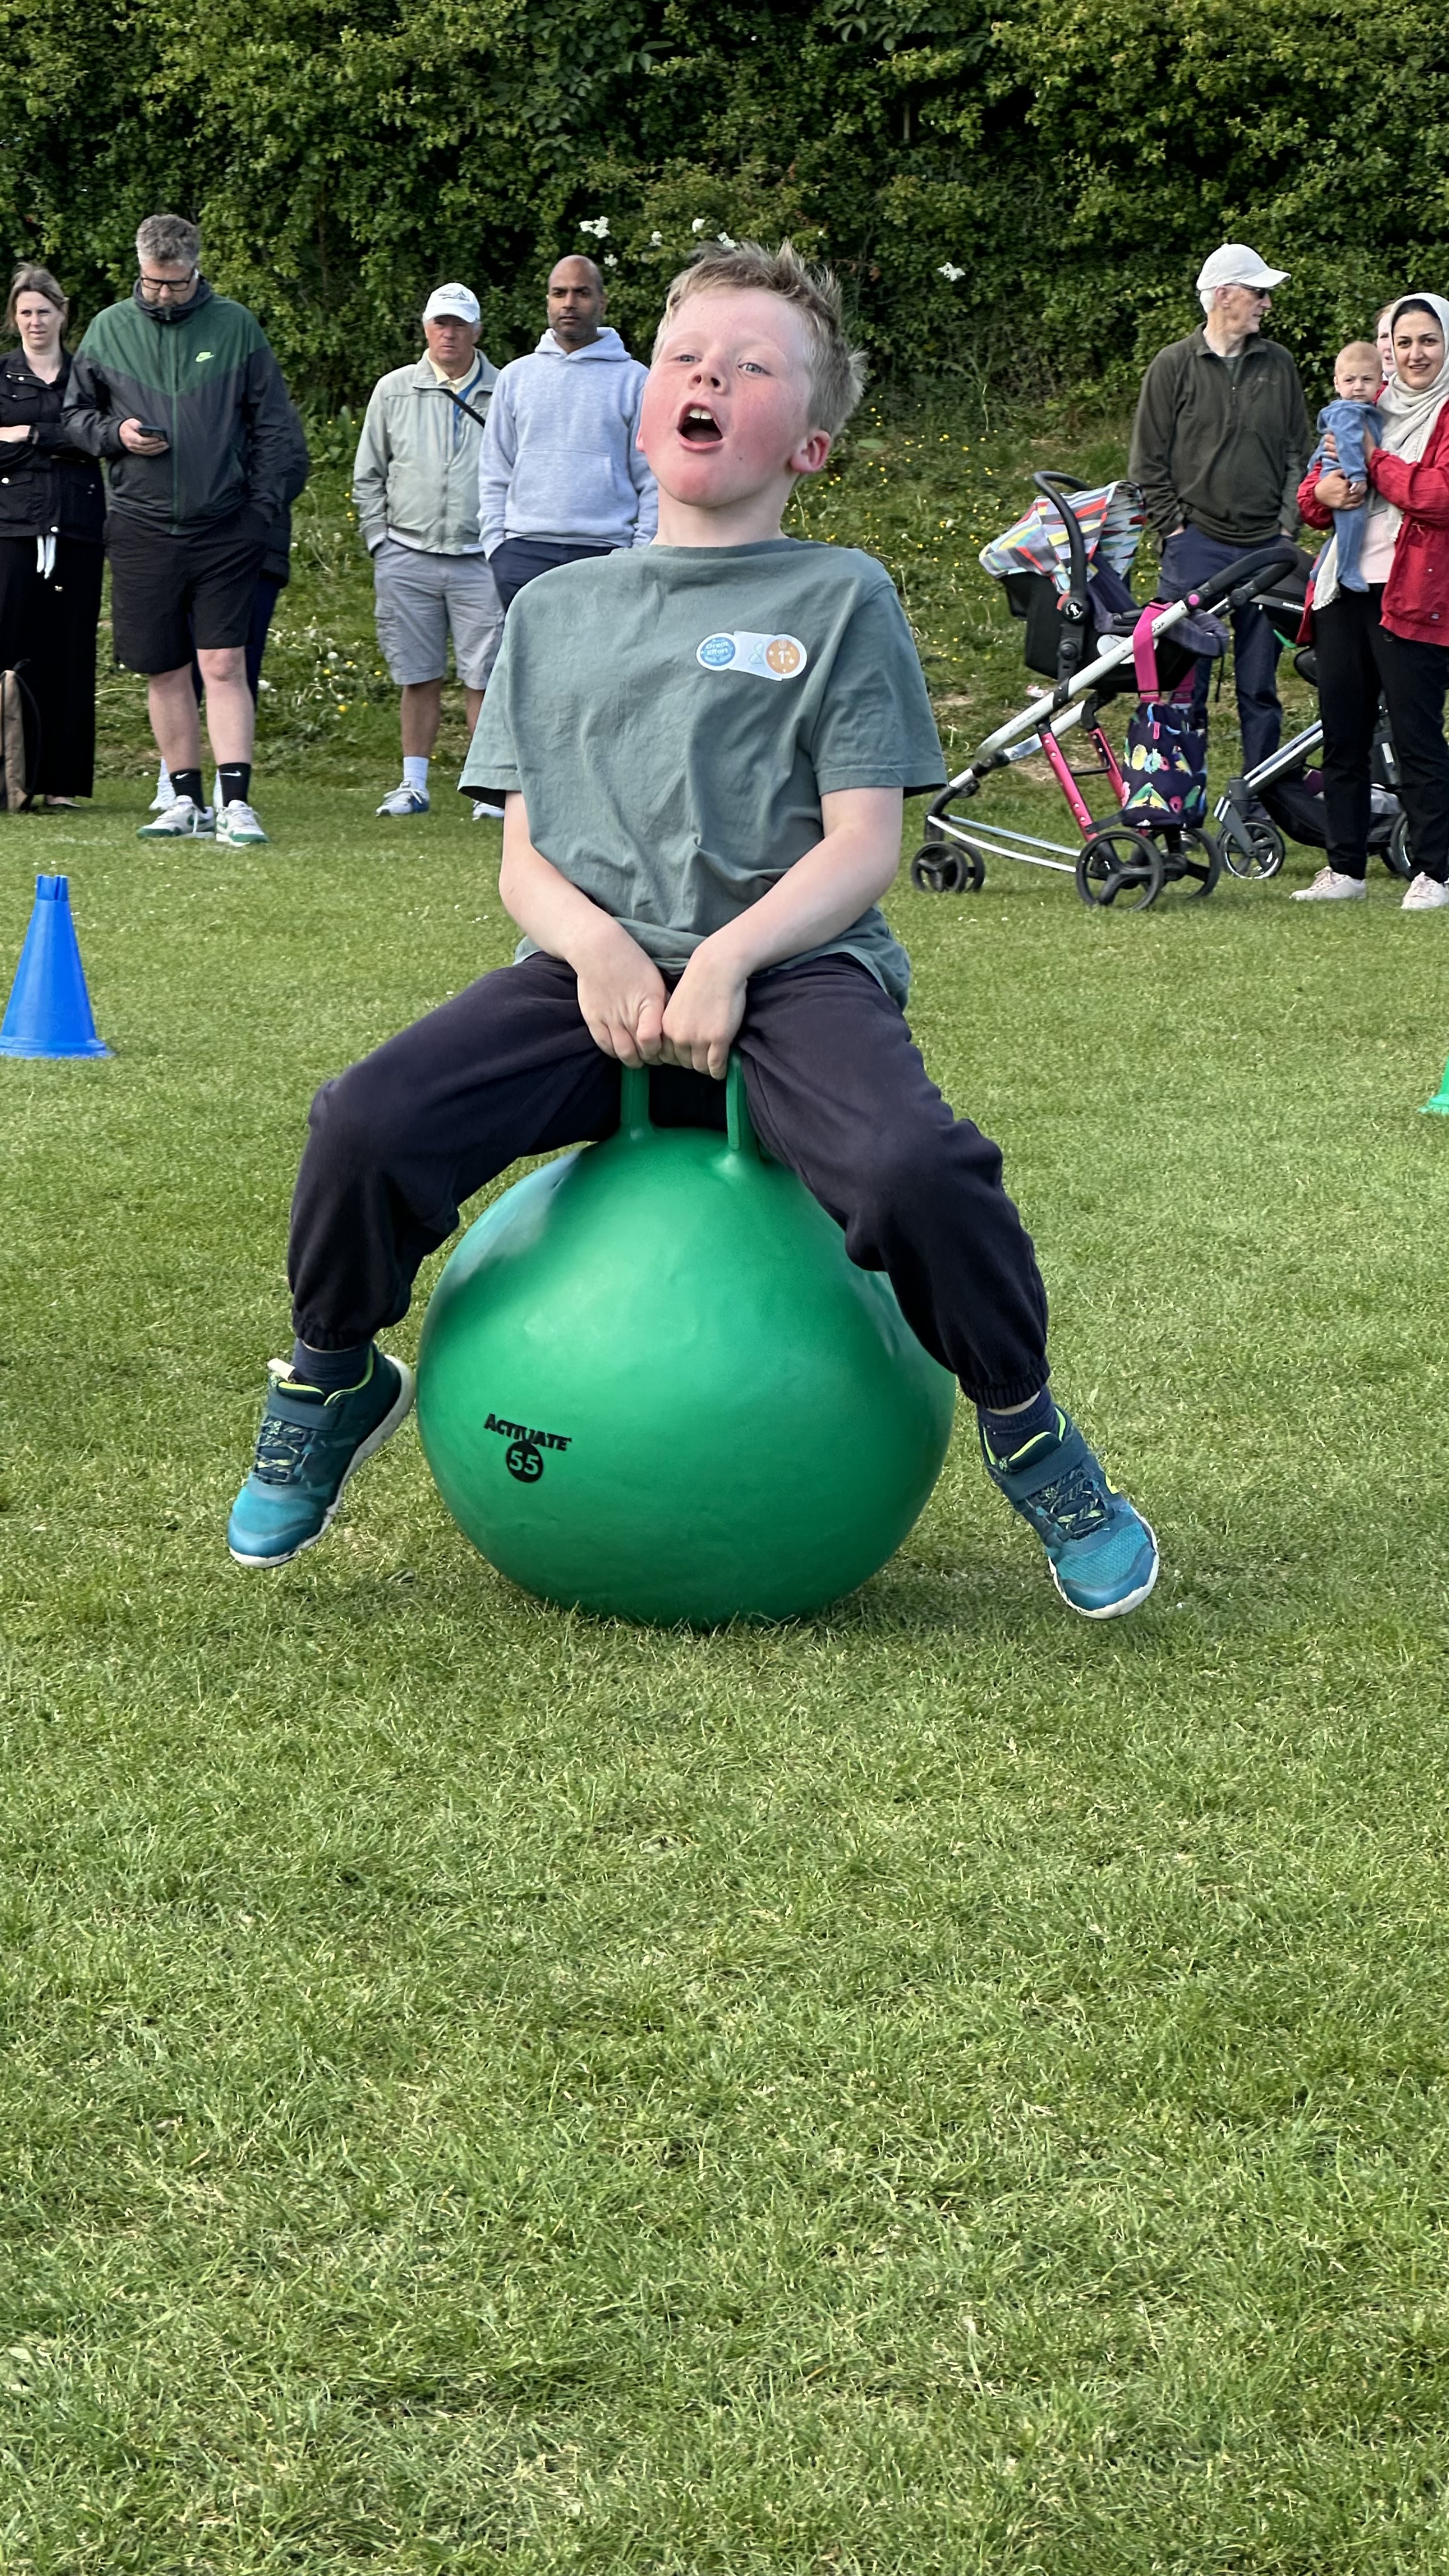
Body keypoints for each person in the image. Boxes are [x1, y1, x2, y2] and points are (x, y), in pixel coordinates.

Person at [226, 240, 1158, 1623]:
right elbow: (524, 858)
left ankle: (1026, 1427)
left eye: (752, 364)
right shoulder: (554, 609)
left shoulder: (841, 596)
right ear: (642, 407)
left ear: (812, 444)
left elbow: (863, 843)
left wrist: (728, 957)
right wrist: (601, 949)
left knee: (915, 1169)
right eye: (685, 357)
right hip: (585, 976)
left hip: (790, 977)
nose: (708, 374)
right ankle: (331, 1374)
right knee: (363, 1122)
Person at [62, 212, 299, 847]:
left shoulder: (236, 327)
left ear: (196, 271)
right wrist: (116, 434)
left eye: (176, 283)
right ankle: (185, 801)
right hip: (140, 525)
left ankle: (236, 802)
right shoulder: (108, 329)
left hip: (226, 527)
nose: (163, 294)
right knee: (163, 667)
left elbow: (275, 426)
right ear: (139, 270)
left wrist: (261, 511)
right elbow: (75, 417)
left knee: (223, 662)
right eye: (153, 283)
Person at [1291, 293, 1449, 910]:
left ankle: (1436, 871)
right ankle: (1344, 868)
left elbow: (1436, 496)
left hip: (1413, 595)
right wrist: (1325, 492)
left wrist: (1373, 460)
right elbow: (1312, 498)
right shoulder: (1365, 406)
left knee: (1416, 738)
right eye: (1404, 342)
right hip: (1343, 592)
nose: (1415, 354)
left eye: (1428, 341)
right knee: (1343, 735)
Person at [1130, 243, 1311, 769]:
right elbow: (1147, 463)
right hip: (1196, 547)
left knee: (1260, 687)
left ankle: (1260, 798)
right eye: (1259, 293)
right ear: (1224, 295)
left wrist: (1286, 529)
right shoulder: (1172, 366)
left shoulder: (1279, 365)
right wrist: (1175, 531)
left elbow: (1298, 453)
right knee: (1183, 687)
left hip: (1266, 549)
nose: (1267, 304)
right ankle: (1176, 798)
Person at [351, 282, 505, 820]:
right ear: (426, 328)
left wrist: (503, 544)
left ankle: (487, 789)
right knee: (418, 675)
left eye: (460, 324)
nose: (449, 334)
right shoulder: (393, 390)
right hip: (407, 554)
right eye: (441, 323)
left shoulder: (507, 391)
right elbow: (368, 474)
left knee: (484, 677)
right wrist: (379, 541)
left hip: (481, 558)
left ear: (477, 331)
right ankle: (413, 784)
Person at [151, 401, 310, 812]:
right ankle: (175, 779)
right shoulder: (183, 398)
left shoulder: (272, 406)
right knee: (178, 663)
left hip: (255, 552)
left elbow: (291, 470)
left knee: (236, 665)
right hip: (184, 549)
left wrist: (240, 510)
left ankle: (231, 785)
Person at [477, 255, 657, 611]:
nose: (569, 303)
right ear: (548, 301)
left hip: (605, 552)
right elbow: (495, 469)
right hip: (523, 552)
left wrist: (641, 552)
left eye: (582, 293)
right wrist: (497, 547)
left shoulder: (636, 381)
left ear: (602, 302)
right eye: (559, 293)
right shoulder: (516, 377)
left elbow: (654, 477)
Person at [0, 266, 104, 806]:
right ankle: (10, 777)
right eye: (25, 312)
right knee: (9, 645)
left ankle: (61, 783)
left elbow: (98, 438)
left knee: (70, 650)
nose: (35, 321)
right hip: (12, 527)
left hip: (79, 526)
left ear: (63, 314)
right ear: (13, 318)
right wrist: (60, 441)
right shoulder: (2, 374)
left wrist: (29, 434)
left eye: (44, 311)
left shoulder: (89, 374)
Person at [1306, 342, 1383, 592]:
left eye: (1367, 379)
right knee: (1354, 521)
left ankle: (1321, 568)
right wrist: (1357, 475)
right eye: (1350, 380)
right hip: (1344, 477)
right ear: (1337, 383)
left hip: (1346, 473)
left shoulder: (1363, 409)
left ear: (1380, 381)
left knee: (1343, 531)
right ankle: (1347, 570)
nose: (1358, 386)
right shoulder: (1348, 411)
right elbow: (1349, 445)